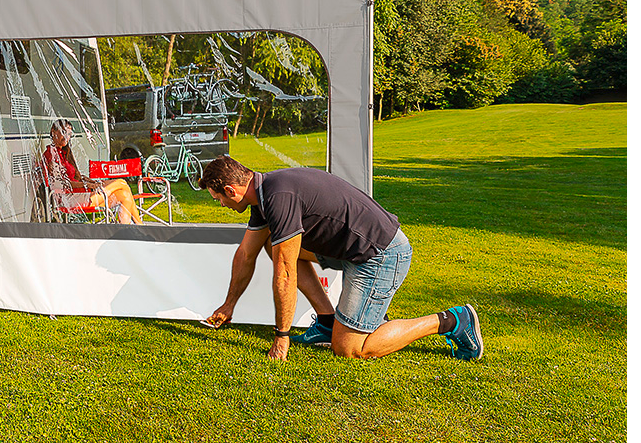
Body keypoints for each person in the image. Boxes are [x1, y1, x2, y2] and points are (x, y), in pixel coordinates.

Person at [197, 155, 483, 362]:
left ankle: (452, 320)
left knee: (350, 348)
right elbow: (246, 253)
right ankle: (326, 321)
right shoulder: (264, 195)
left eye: (217, 198)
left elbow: (285, 273)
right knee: (274, 243)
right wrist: (229, 304)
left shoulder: (278, 196)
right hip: (352, 250)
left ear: (231, 190)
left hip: (380, 255)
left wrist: (281, 337)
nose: (220, 204)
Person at [44, 119, 142, 224]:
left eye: (69, 134)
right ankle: (140, 227)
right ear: (53, 132)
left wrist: (87, 180)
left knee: (124, 196)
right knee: (122, 182)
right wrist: (87, 184)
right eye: (63, 132)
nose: (67, 137)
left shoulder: (64, 152)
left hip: (80, 193)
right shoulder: (51, 154)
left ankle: (127, 232)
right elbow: (62, 184)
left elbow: (72, 176)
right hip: (68, 199)